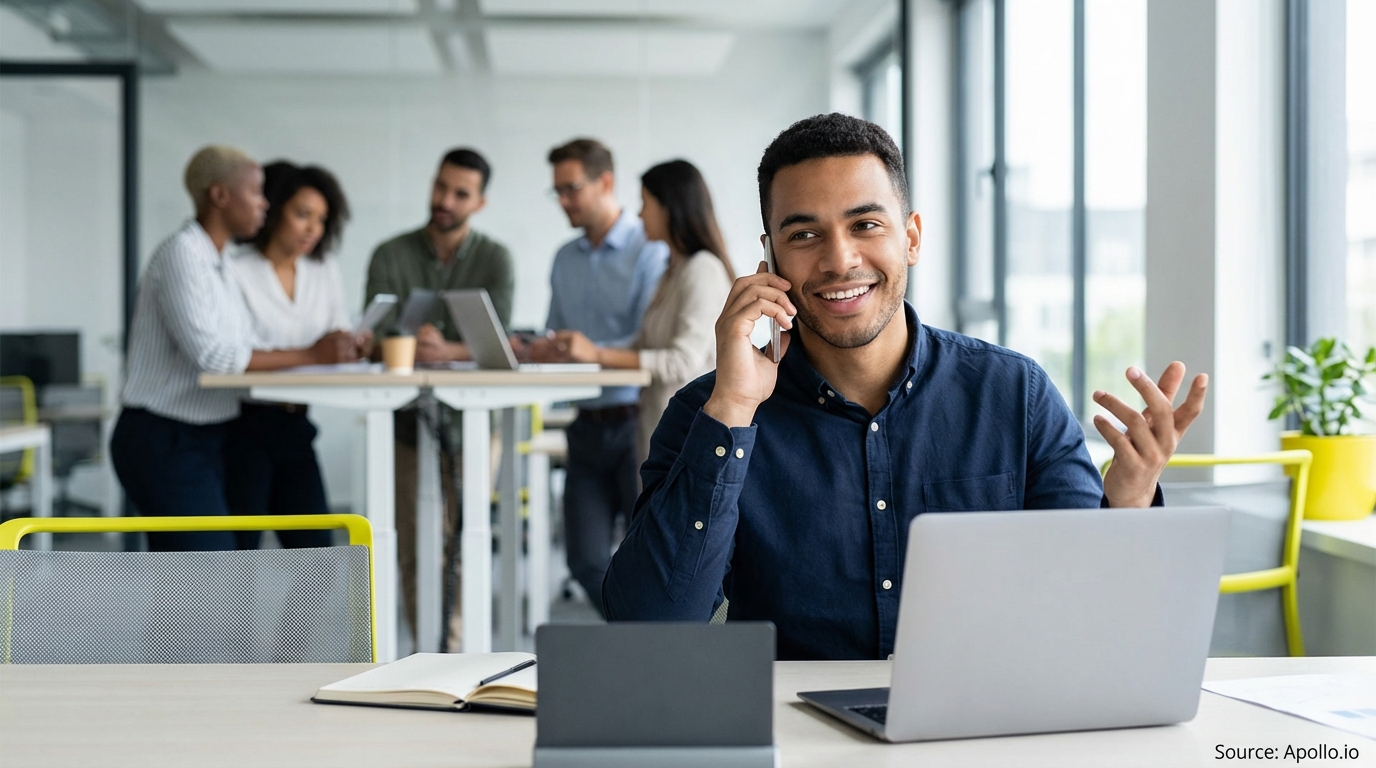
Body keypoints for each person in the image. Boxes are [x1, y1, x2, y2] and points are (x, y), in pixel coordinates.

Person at [602, 113, 1208, 660]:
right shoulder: (707, 414)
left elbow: (1087, 619)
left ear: (911, 237)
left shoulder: (1014, 395)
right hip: (802, 739)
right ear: (770, 260)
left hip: (984, 730)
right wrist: (733, 408)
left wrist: (1127, 506)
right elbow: (647, 631)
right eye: (804, 235)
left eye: (865, 224)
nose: (840, 260)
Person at [111, 146, 358, 552]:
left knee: (203, 578)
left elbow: (248, 346)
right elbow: (217, 359)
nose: (264, 204)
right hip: (163, 434)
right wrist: (313, 355)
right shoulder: (183, 256)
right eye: (255, 192)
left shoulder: (218, 263)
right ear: (220, 196)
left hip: (206, 435)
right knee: (211, 574)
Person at [363, 147, 514, 648]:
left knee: (464, 543)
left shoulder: (495, 259)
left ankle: (458, 652)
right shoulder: (391, 255)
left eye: (460, 193)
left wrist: (442, 348)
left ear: (480, 202)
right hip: (407, 425)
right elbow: (375, 340)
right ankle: (427, 651)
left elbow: (500, 341)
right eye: (440, 186)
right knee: (414, 546)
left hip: (472, 426)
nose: (445, 200)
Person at [530, 138, 669, 618]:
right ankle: (632, 639)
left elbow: (650, 340)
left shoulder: (651, 251)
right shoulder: (564, 259)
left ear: (605, 182)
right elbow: (556, 335)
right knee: (585, 559)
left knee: (649, 557)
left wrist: (591, 351)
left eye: (571, 188)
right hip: (585, 423)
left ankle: (647, 655)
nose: (564, 201)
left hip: (639, 424)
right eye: (558, 192)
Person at [544, 159, 734, 464]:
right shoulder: (672, 271)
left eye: (646, 203)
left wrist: (597, 355)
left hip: (687, 438)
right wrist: (584, 350)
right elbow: (642, 344)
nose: (641, 214)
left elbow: (682, 362)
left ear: (669, 207)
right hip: (658, 432)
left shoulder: (702, 270)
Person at [226, 161, 366, 549]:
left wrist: (348, 345)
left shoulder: (323, 269)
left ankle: (297, 616)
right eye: (302, 214)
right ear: (272, 208)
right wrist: (314, 353)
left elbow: (333, 334)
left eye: (321, 220)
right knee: (239, 558)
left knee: (317, 557)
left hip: (296, 425)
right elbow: (232, 353)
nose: (312, 229)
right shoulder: (236, 271)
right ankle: (234, 615)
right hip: (242, 428)